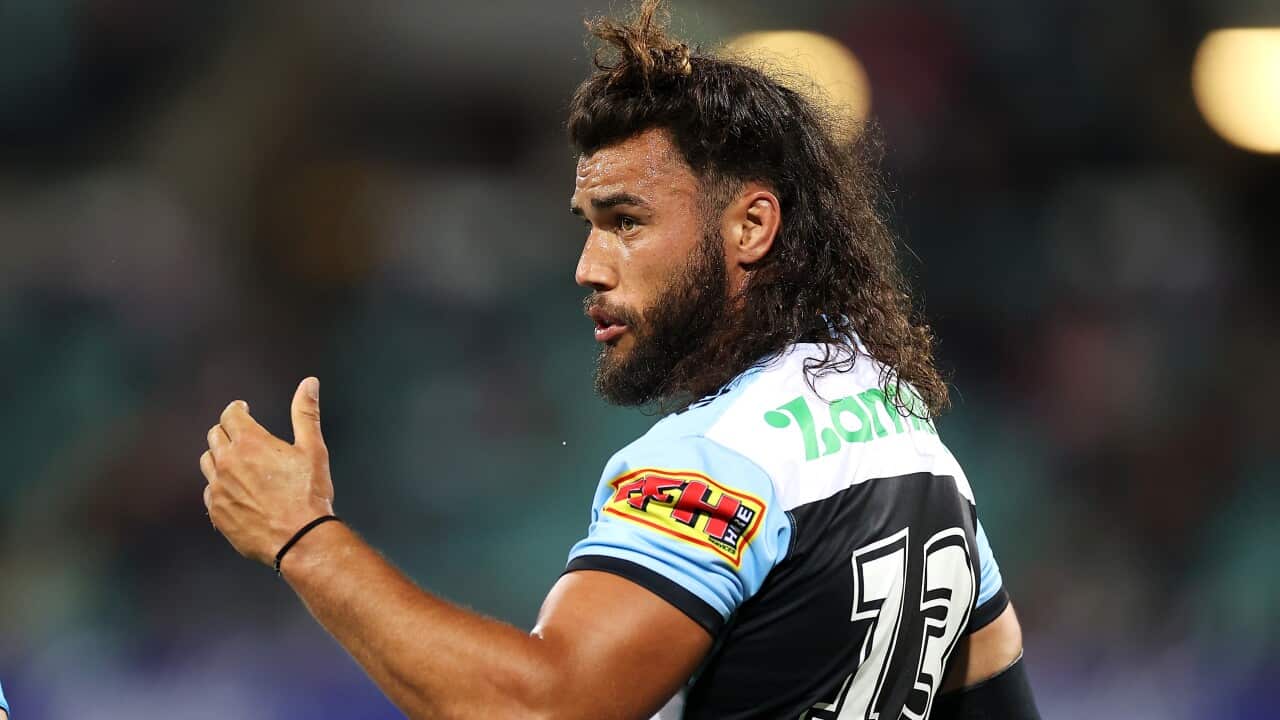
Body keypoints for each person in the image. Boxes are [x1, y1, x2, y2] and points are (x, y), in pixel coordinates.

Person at [199, 1, 1040, 717]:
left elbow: (547, 704)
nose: (589, 267)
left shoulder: (717, 461)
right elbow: (996, 674)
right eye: (588, 225)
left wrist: (303, 538)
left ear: (751, 227)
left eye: (627, 221)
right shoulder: (895, 415)